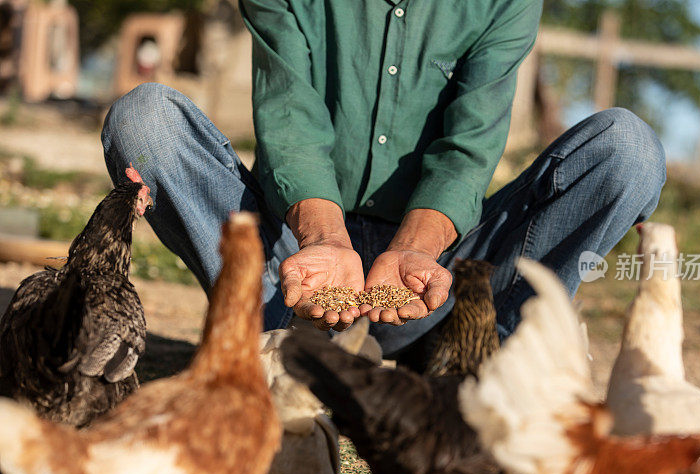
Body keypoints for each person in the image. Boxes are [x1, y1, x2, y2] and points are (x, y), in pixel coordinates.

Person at [101, 0, 665, 356]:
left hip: (433, 281)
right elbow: (289, 122)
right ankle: (263, 337)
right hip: (296, 268)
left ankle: (490, 362)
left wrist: (415, 252)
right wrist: (324, 241)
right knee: (145, 122)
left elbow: (466, 152)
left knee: (628, 149)